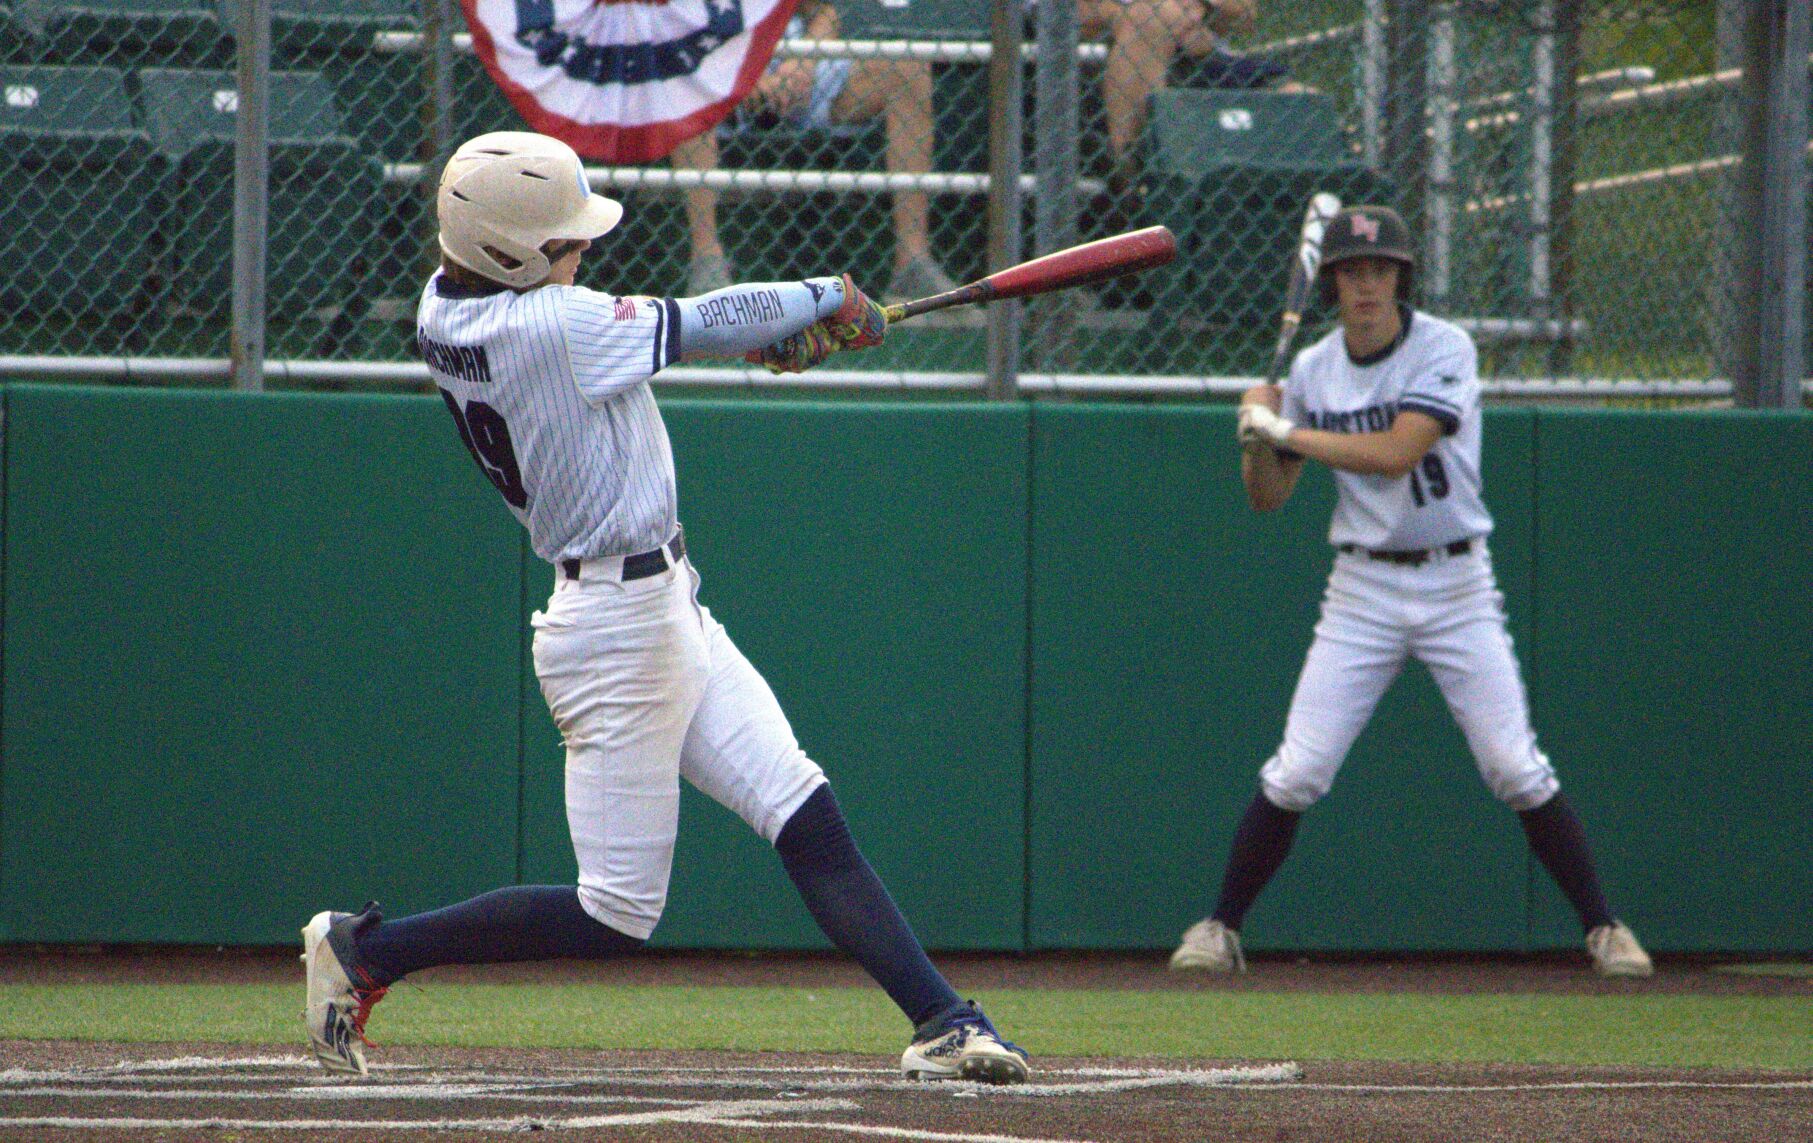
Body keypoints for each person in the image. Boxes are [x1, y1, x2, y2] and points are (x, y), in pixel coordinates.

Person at [301, 130, 1030, 1086]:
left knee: (803, 808)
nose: (582, 250)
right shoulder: (549, 326)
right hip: (615, 632)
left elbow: (674, 339)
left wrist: (776, 338)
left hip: (663, 605)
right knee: (615, 910)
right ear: (511, 255)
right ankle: (368, 949)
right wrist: (831, 304)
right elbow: (701, 316)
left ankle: (943, 1018)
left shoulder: (448, 307)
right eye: (564, 241)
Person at [1171, 205, 1654, 979]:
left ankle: (1603, 927)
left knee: (1512, 765)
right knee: (1298, 768)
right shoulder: (1313, 370)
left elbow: (1398, 451)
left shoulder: (1443, 347)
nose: (1367, 284)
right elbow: (1266, 496)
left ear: (1401, 276)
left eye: (1380, 269)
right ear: (1331, 282)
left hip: (1457, 580)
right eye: (1353, 271)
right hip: (1361, 586)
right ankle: (1218, 926)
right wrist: (1252, 433)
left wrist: (1285, 430)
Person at [672, 0, 958, 302]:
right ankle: (708, 262)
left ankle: (911, 263)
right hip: (717, 78)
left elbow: (824, 12)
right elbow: (678, 33)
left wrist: (804, 61)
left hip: (796, 69)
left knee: (906, 68)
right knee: (682, 93)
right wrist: (744, 74)